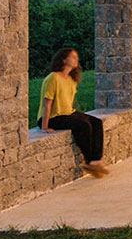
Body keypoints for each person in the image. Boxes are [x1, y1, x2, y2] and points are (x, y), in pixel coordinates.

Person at [38, 47, 109, 177]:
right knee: (83, 125)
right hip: (53, 117)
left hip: (67, 113)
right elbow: (47, 104)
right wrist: (45, 126)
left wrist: (78, 115)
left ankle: (97, 160)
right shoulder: (53, 78)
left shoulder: (71, 79)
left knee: (96, 122)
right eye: (73, 56)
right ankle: (90, 161)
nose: (76, 59)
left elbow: (68, 103)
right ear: (64, 59)